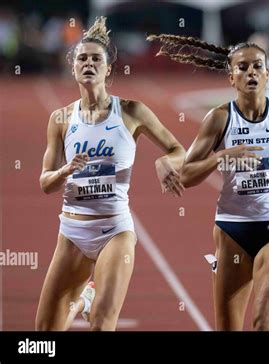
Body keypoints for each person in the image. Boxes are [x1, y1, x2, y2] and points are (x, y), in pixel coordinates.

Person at [147, 34, 269, 330]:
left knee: (263, 323)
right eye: (243, 68)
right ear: (231, 78)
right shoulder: (219, 119)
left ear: (268, 74)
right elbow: (187, 174)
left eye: (258, 66)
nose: (251, 73)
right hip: (232, 229)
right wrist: (221, 156)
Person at [36, 17, 185, 331]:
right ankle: (81, 300)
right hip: (72, 232)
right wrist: (66, 170)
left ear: (108, 69)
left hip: (114, 231)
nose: (88, 63)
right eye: (82, 58)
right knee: (44, 334)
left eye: (96, 59)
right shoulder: (60, 119)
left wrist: (163, 163)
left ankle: (88, 302)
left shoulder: (132, 111)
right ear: (73, 67)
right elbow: (45, 183)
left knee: (103, 324)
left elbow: (178, 150)